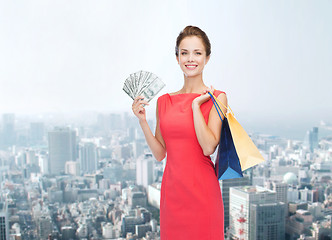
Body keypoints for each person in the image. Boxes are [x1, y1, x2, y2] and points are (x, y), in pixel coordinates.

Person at [132, 25, 227, 240]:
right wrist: (143, 122)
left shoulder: (217, 98)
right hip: (173, 194)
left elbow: (208, 146)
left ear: (207, 58)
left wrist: (195, 107)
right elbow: (160, 154)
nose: (190, 59)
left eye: (197, 53)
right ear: (177, 58)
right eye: (184, 53)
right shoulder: (164, 102)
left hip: (203, 194)